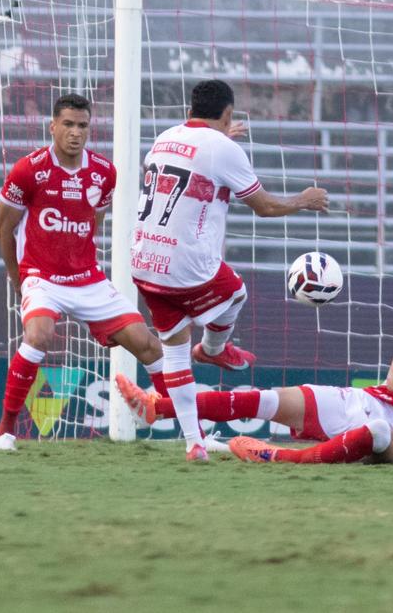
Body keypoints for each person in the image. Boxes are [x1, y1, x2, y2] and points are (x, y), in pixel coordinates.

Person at [116, 263, 393, 465]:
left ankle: (277, 458)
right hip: (364, 400)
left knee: (378, 432)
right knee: (264, 400)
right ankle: (158, 408)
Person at [130, 79, 329, 461]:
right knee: (235, 293)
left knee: (174, 351)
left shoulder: (166, 136)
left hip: (144, 262)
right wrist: (303, 200)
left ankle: (194, 444)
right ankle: (214, 349)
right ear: (228, 114)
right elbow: (265, 207)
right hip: (183, 266)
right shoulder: (224, 148)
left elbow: (190, 162)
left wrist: (221, 140)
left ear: (192, 110)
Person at [0, 94, 164, 451]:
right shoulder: (29, 169)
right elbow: (2, 229)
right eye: (67, 125)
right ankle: (5, 430)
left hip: (87, 278)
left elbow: (92, 222)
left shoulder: (104, 172)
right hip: (42, 276)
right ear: (52, 126)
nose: (75, 133)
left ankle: (185, 426)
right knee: (38, 335)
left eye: (82, 125)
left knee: (149, 347)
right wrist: (18, 279)